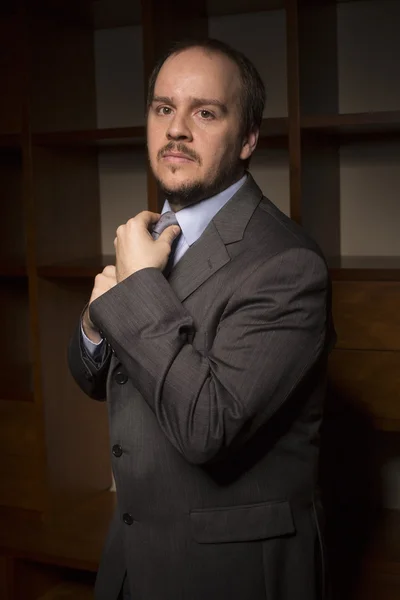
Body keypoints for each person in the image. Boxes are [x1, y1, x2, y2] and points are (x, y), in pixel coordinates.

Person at [68, 38, 335, 600]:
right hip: (130, 558)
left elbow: (207, 427)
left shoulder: (289, 265)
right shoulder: (151, 235)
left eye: (205, 112)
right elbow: (97, 377)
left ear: (249, 138)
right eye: (163, 108)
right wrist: (95, 326)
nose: (176, 130)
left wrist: (137, 290)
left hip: (228, 574)